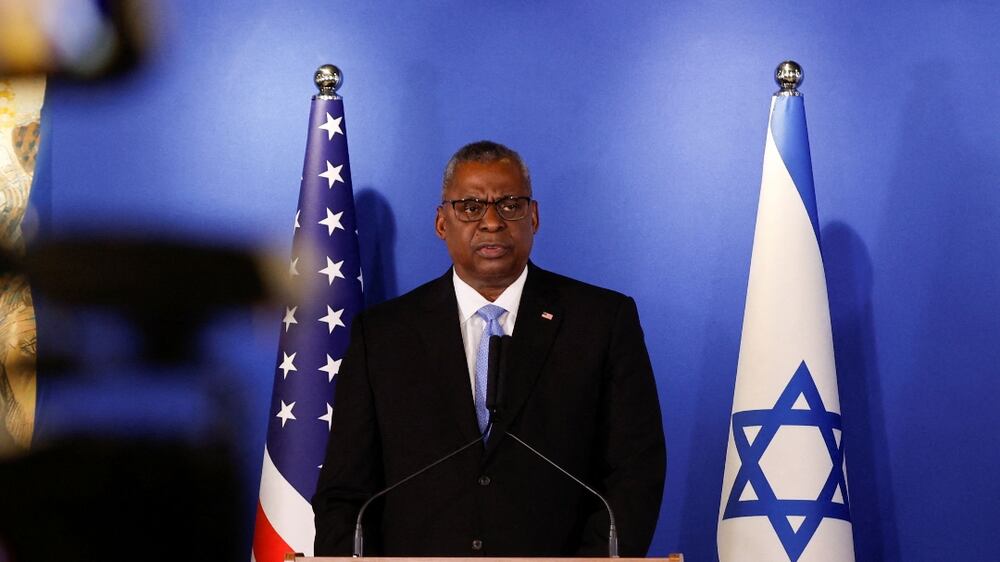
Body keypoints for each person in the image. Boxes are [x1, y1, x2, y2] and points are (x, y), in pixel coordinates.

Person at [312, 141, 665, 557]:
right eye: (470, 206)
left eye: (510, 205)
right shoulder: (384, 335)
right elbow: (345, 490)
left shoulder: (602, 322)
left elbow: (634, 472)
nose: (492, 222)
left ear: (533, 217)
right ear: (442, 222)